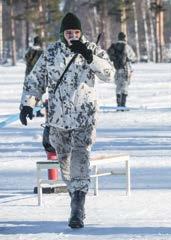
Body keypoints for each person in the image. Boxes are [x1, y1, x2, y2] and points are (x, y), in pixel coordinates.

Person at [19, 12, 115, 229]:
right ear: (63, 33)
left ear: (81, 33)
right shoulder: (51, 53)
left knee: (81, 157)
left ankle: (78, 206)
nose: (72, 36)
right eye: (69, 32)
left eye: (76, 32)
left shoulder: (91, 49)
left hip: (84, 116)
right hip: (58, 119)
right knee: (65, 163)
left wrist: (90, 58)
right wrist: (27, 104)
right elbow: (35, 80)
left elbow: (109, 74)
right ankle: (75, 192)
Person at [107, 32, 136, 109]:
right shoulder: (127, 46)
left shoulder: (113, 46)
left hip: (116, 69)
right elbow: (133, 57)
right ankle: (123, 106)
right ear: (124, 38)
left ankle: (118, 105)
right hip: (125, 69)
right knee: (125, 87)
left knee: (118, 87)